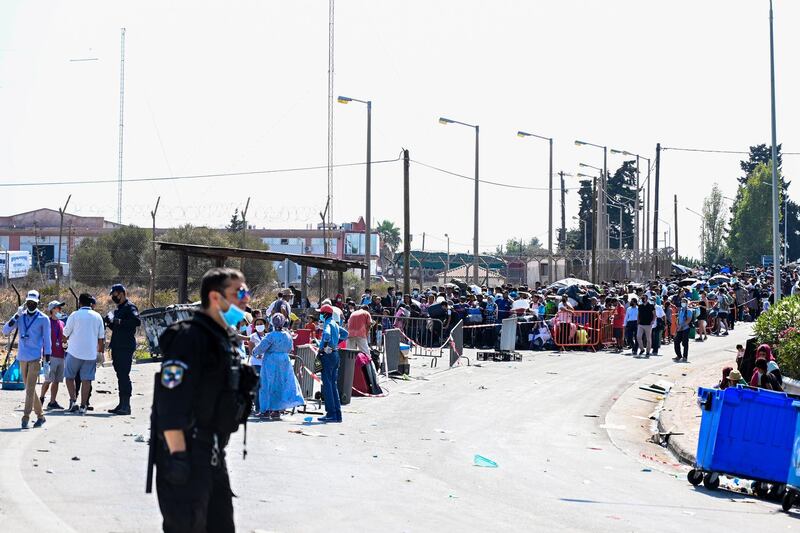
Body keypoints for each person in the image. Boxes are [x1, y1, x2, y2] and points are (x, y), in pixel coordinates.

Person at [150, 267, 257, 533]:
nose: (246, 299)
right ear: (215, 297)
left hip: (212, 453)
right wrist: (178, 459)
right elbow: (169, 403)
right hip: (186, 453)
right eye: (239, 292)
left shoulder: (224, 339)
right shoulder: (189, 338)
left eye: (247, 292)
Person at [2, 290, 50, 428]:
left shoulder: (43, 318)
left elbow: (47, 341)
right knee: (30, 389)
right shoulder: (20, 317)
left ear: (38, 303)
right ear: (25, 302)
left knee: (29, 389)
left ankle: (26, 417)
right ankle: (41, 416)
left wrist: (47, 361)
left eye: (33, 303)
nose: (30, 305)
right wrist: (16, 315)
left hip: (35, 358)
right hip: (22, 358)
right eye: (28, 302)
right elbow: (5, 331)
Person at [252, 314, 304, 420]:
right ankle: (276, 410)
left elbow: (261, 347)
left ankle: (265, 410)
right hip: (284, 361)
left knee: (267, 385)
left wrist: (254, 352)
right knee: (281, 385)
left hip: (270, 362)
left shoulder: (270, 336)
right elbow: (290, 348)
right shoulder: (288, 335)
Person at [64, 293, 105, 415]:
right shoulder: (97, 317)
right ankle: (83, 406)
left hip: (74, 352)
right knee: (86, 380)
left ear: (80, 303)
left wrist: (64, 343)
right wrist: (100, 353)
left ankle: (73, 401)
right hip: (90, 354)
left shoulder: (74, 315)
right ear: (91, 303)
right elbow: (101, 339)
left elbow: (65, 334)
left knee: (70, 377)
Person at [105, 284, 141, 415]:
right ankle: (121, 404)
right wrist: (109, 322)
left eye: (114, 294)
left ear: (121, 293)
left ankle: (126, 405)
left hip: (125, 347)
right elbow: (117, 328)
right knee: (120, 375)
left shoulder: (130, 307)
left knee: (124, 375)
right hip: (117, 345)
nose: (113, 297)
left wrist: (119, 321)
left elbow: (136, 321)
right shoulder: (119, 308)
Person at [318, 304, 345, 423]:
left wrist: (324, 347)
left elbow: (327, 336)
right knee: (333, 385)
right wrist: (335, 344)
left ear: (325, 314)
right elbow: (345, 334)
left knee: (327, 385)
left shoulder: (328, 324)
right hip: (335, 355)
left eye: (320, 313)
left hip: (328, 356)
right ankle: (337, 414)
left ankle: (331, 413)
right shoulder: (335, 323)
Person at [40, 300, 67, 410]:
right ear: (52, 310)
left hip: (61, 354)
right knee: (48, 379)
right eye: (58, 308)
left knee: (57, 380)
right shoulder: (46, 322)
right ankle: (41, 398)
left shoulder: (62, 323)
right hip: (50, 355)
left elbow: (63, 338)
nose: (60, 310)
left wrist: (65, 346)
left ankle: (52, 401)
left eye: (60, 308)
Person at [247, 317, 267, 413]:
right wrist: (256, 355)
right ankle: (257, 407)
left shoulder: (267, 336)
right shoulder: (253, 336)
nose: (259, 325)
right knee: (257, 385)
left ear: (265, 325)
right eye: (257, 324)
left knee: (264, 386)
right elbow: (250, 350)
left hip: (265, 364)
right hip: (256, 364)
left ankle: (263, 407)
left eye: (261, 324)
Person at [673, 298, 692, 362]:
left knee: (685, 343)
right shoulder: (680, 310)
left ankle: (685, 357)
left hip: (685, 328)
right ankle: (679, 355)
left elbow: (688, 320)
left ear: (686, 303)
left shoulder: (689, 310)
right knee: (676, 341)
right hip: (680, 328)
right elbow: (678, 319)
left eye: (684, 302)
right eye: (682, 302)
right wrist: (678, 326)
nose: (682, 303)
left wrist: (682, 326)